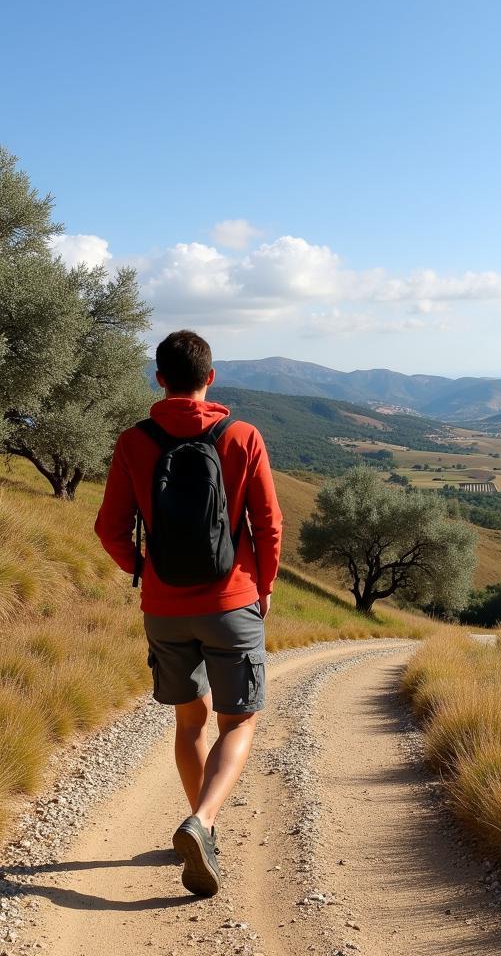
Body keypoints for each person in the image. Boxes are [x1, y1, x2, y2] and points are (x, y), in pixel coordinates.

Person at [95, 329, 283, 897]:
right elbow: (269, 524)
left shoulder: (133, 441)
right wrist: (264, 586)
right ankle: (202, 822)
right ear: (211, 376)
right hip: (232, 603)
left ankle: (204, 827)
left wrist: (142, 568)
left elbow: (109, 528)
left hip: (164, 606)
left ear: (159, 379)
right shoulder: (242, 435)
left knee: (189, 722)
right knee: (240, 721)